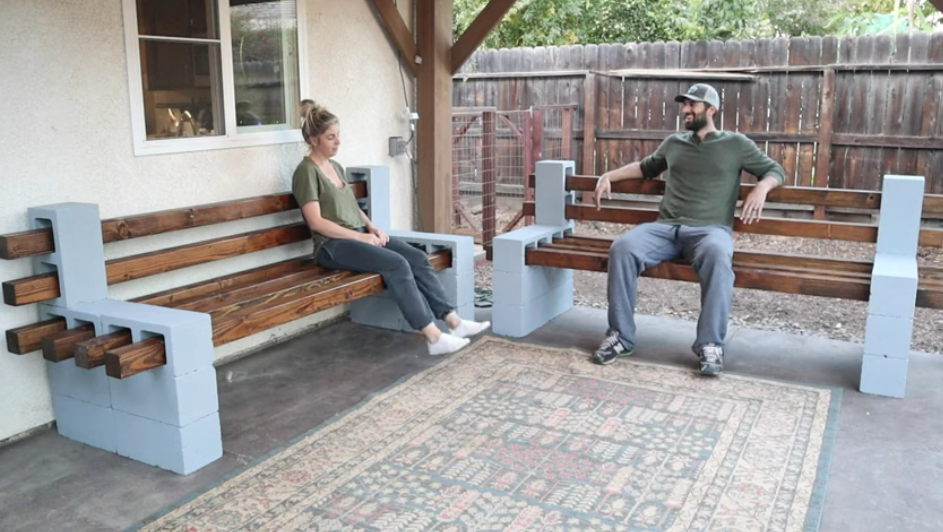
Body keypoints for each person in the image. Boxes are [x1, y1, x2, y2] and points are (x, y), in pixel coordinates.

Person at [591, 83, 786, 375]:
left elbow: (775, 170)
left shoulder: (736, 144)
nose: (685, 110)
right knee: (623, 248)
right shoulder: (674, 143)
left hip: (710, 231)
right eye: (684, 104)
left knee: (719, 256)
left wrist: (762, 187)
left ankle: (710, 344)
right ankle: (620, 336)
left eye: (692, 105)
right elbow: (646, 167)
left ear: (711, 110)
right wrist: (609, 175)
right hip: (666, 228)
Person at [292, 101, 490, 356]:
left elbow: (351, 206)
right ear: (313, 139)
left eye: (338, 135)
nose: (338, 142)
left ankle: (454, 321)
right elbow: (316, 222)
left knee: (417, 257)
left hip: (355, 236)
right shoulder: (306, 172)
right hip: (331, 246)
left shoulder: (335, 167)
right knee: (396, 264)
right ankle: (433, 335)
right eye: (330, 137)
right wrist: (360, 238)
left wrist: (372, 228)